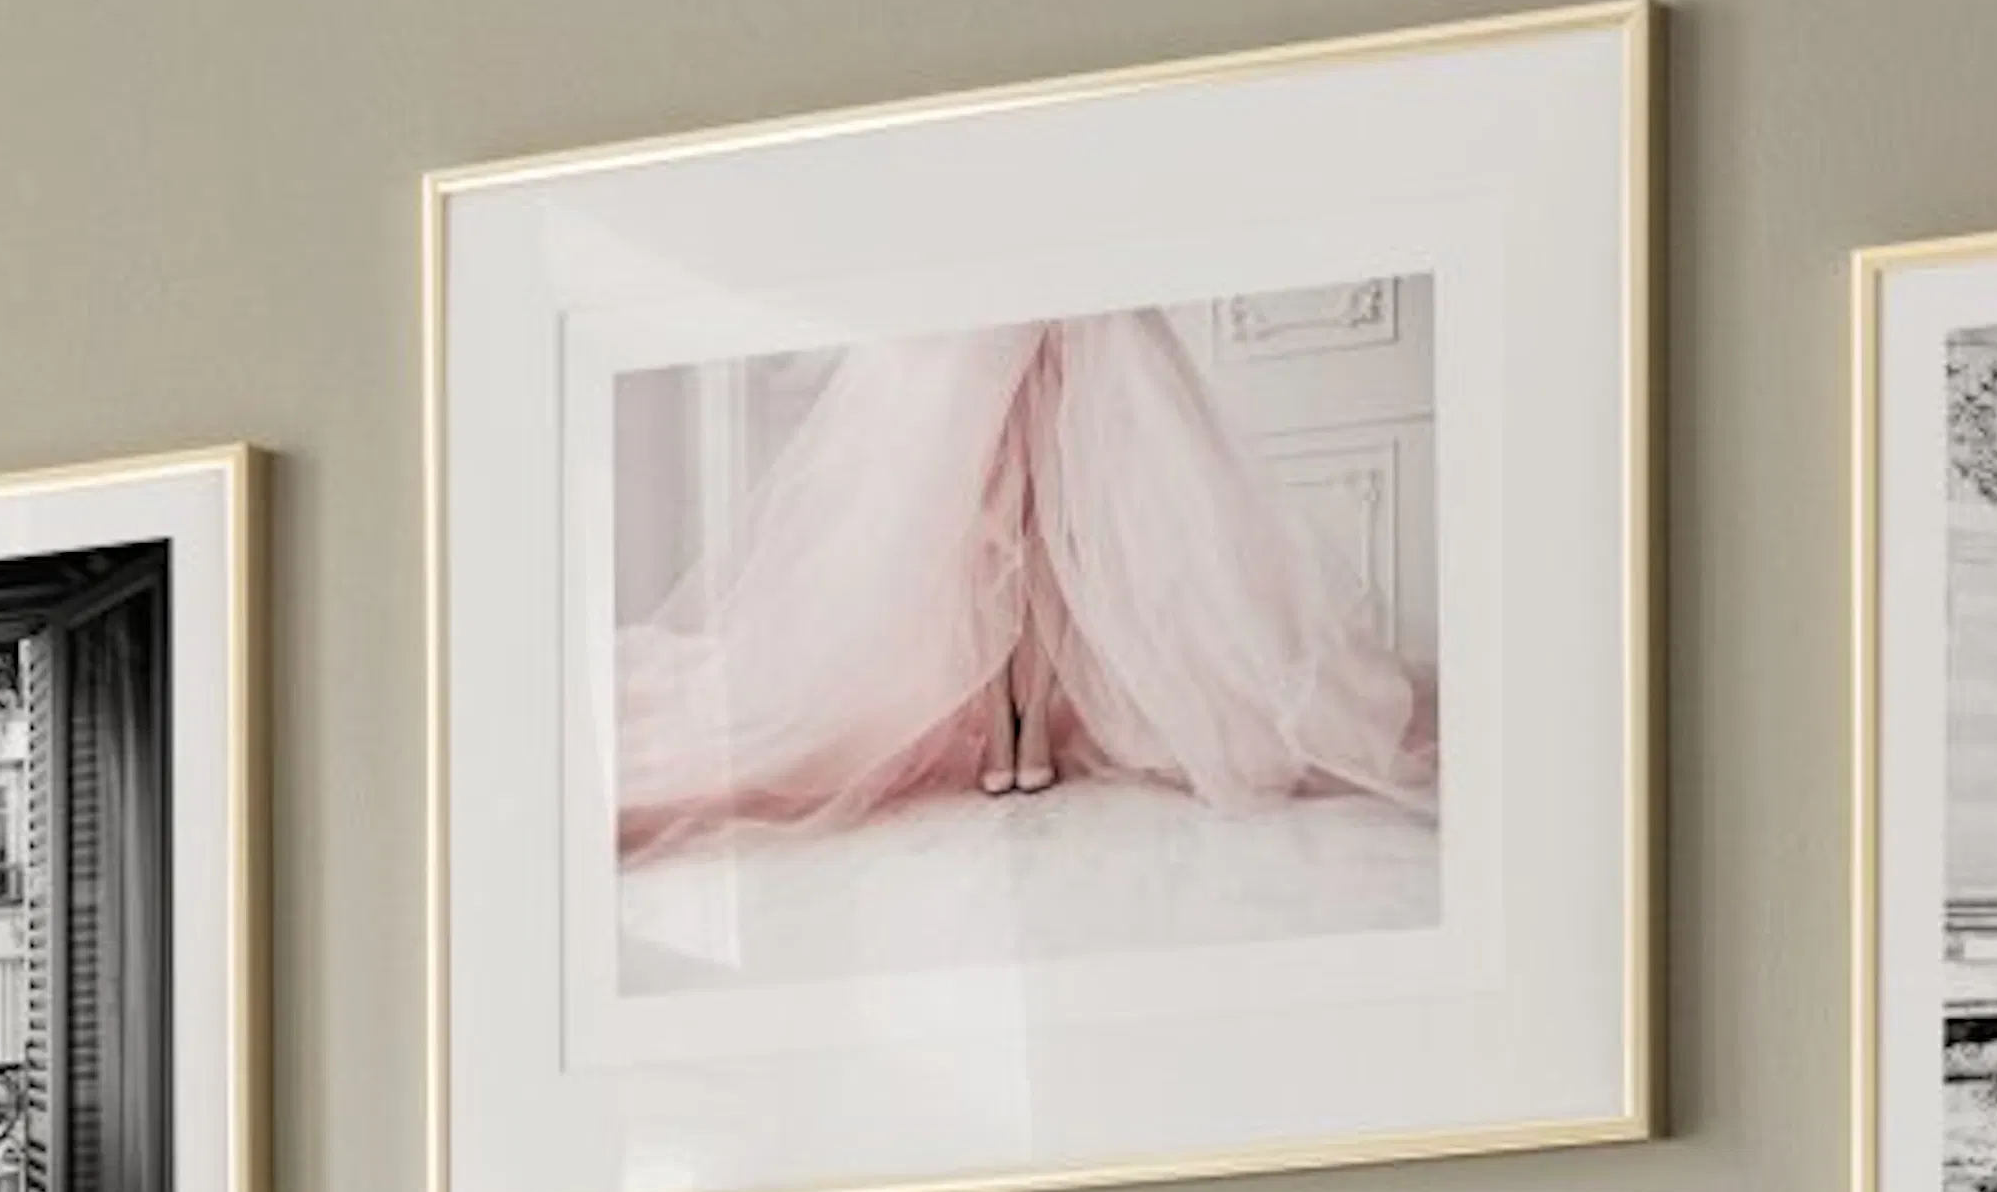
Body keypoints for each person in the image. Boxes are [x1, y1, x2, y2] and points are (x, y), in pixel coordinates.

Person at [615, 308, 1437, 850]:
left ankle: (1026, 721)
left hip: (1071, 289)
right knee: (980, 490)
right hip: (970, 289)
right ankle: (1010, 720)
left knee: (1060, 494)